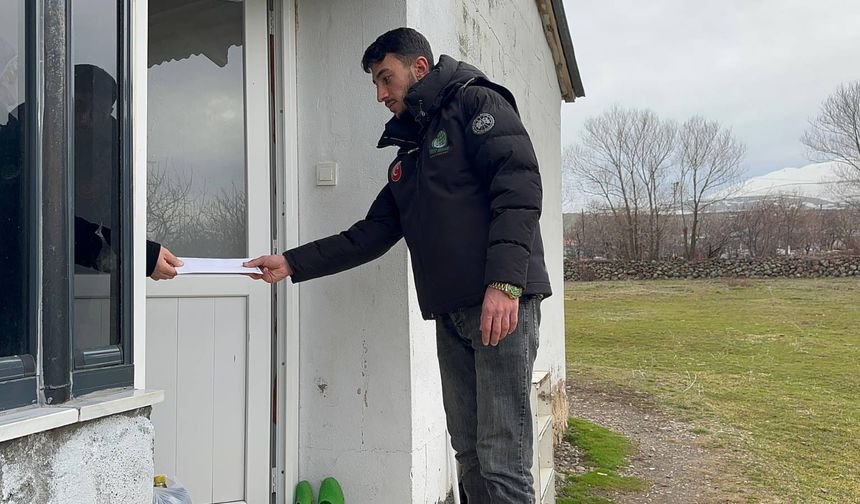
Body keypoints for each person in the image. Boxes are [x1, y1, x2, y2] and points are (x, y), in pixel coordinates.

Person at [245, 28, 551, 503]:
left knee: (501, 459)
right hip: (452, 313)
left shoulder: (477, 104)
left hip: (500, 306)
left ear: (420, 68)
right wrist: (290, 263)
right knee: (468, 453)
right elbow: (369, 235)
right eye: (375, 83)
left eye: (386, 78)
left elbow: (520, 189)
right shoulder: (411, 153)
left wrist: (506, 284)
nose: (380, 94)